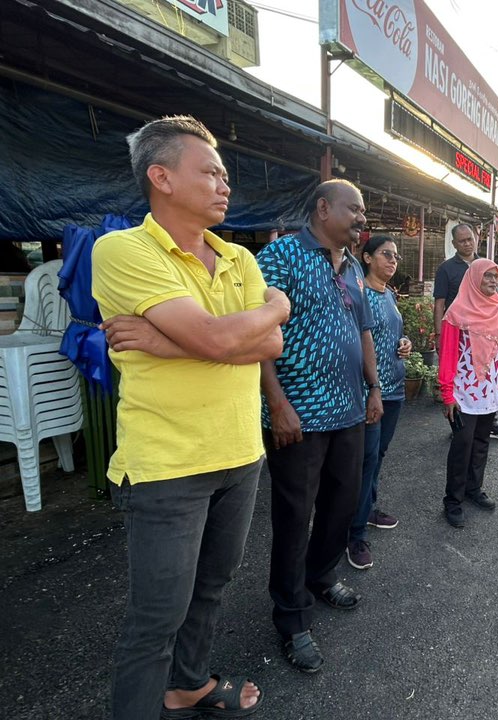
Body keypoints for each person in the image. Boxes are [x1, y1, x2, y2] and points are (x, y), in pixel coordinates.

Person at [93, 115, 287, 719]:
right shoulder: (122, 249)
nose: (224, 184)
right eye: (209, 171)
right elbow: (214, 336)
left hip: (240, 454)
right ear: (161, 177)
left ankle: (189, 684)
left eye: (224, 173)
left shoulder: (239, 259)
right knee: (156, 618)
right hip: (168, 465)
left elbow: (269, 347)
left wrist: (164, 342)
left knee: (212, 589)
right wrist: (263, 316)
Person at [257, 178, 383, 674]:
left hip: (349, 409)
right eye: (354, 208)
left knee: (342, 501)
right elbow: (260, 329)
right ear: (323, 207)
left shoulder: (352, 266)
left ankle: (320, 574)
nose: (360, 218)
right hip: (299, 415)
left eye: (363, 210)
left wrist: (373, 387)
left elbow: (363, 331)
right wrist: (276, 401)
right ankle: (290, 617)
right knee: (294, 514)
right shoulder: (283, 255)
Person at [346, 235, 412, 570]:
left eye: (396, 257)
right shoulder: (359, 294)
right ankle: (354, 534)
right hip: (369, 390)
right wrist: (371, 386)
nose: (393, 261)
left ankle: (367, 508)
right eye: (386, 255)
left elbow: (392, 333)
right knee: (367, 458)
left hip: (395, 387)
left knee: (379, 455)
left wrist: (405, 342)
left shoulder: (388, 295)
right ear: (367, 257)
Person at [439, 259, 498, 527]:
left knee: (482, 442)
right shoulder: (457, 313)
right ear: (473, 279)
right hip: (464, 393)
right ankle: (453, 500)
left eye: (496, 277)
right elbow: (447, 356)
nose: (494, 282)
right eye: (487, 277)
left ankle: (473, 489)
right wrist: (447, 393)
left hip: (491, 391)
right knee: (462, 445)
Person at [434, 223, 498, 441]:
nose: (468, 244)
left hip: (489, 367)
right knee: (464, 438)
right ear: (454, 244)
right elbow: (439, 303)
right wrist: (440, 335)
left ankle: (489, 421)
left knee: (481, 439)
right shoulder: (447, 269)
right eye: (462, 241)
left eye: (470, 239)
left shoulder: (495, 300)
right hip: (461, 334)